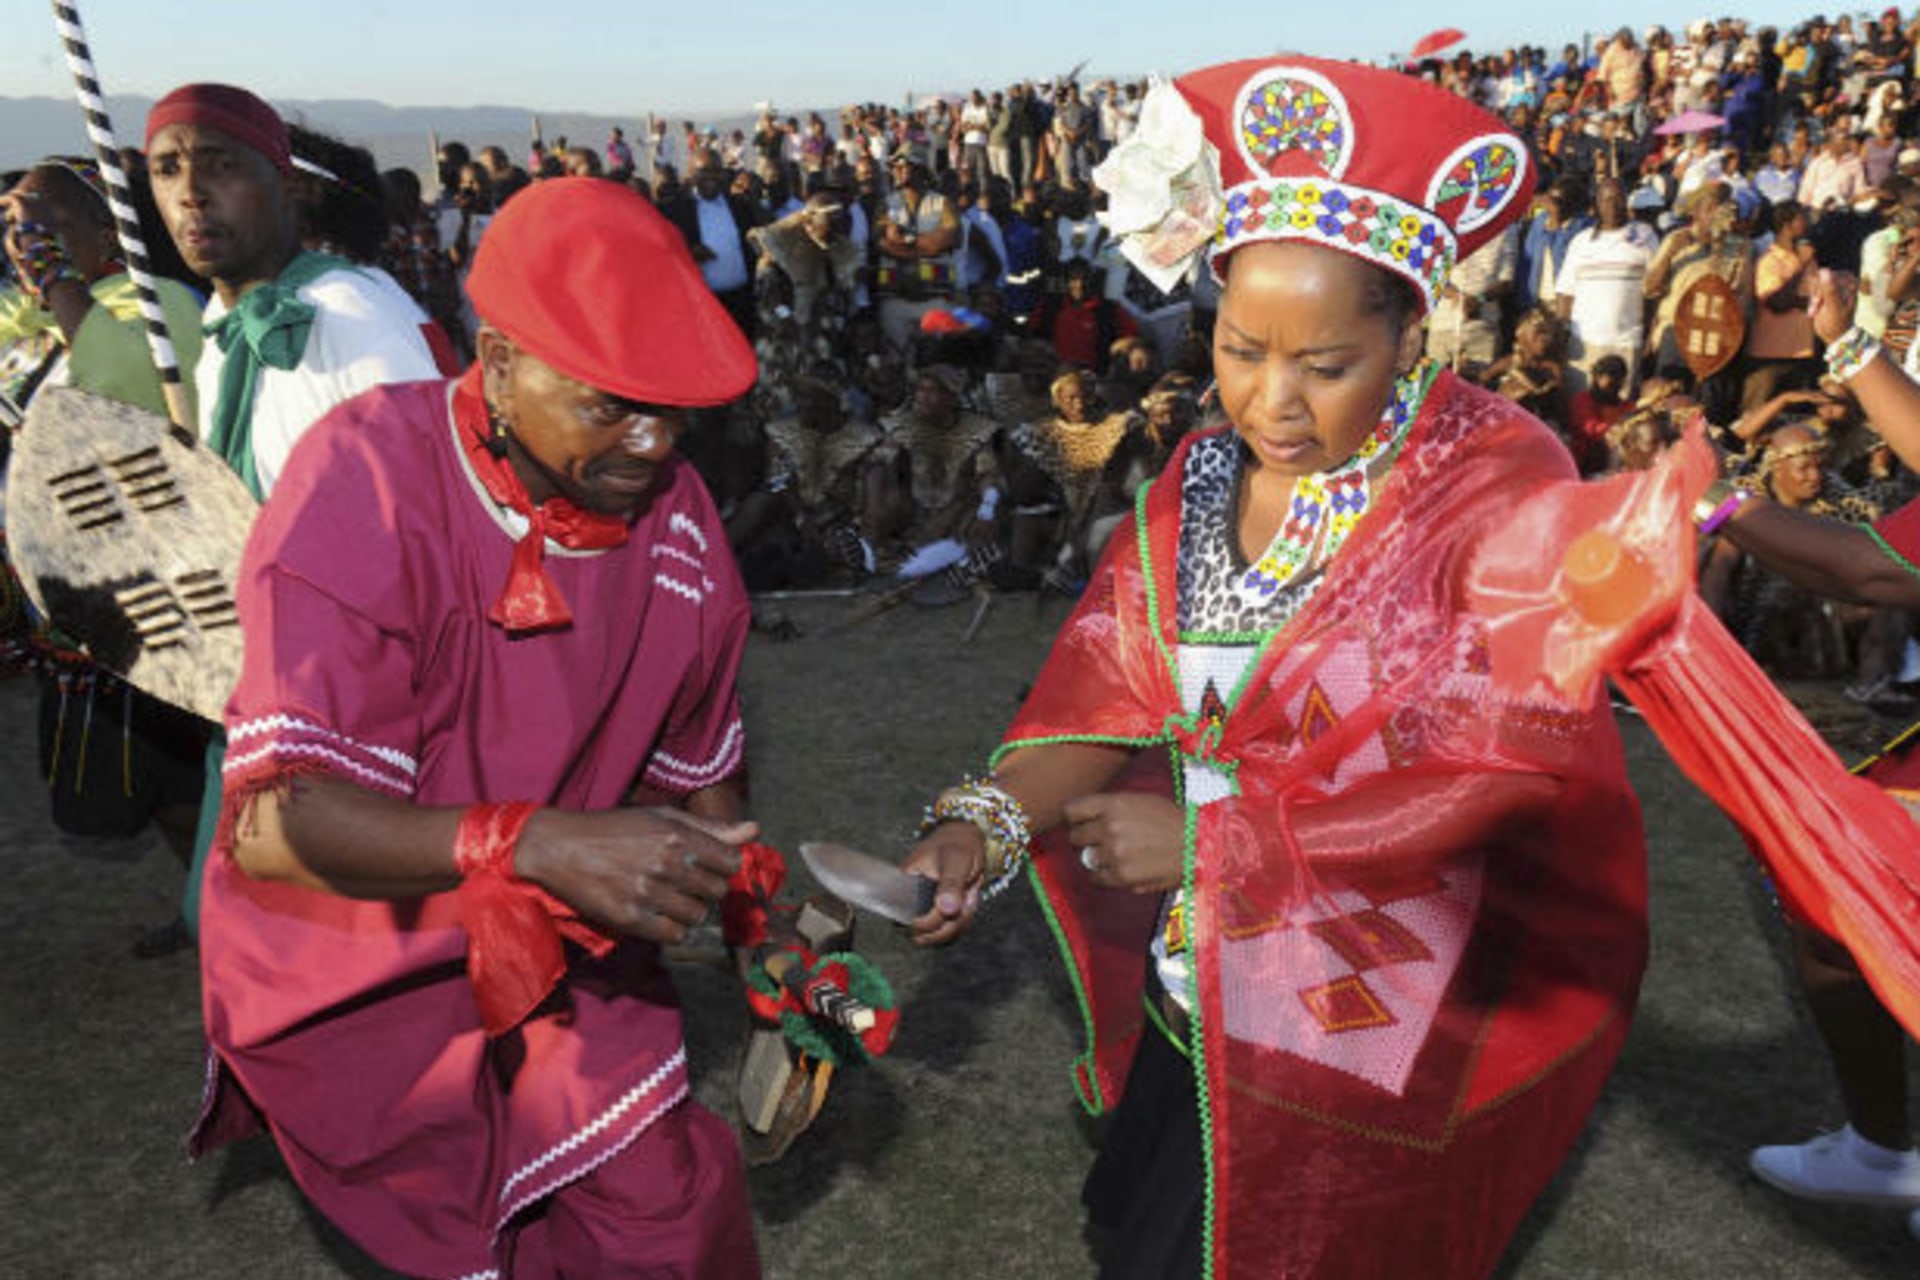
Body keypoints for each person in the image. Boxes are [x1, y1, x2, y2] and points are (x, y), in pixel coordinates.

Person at [902, 57, 1647, 1279]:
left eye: (1326, 365)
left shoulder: (1498, 483)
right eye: (1244, 349)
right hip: (1201, 985)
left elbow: (1506, 771)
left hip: (1372, 1008)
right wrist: (979, 831)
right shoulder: (1198, 479)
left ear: (1412, 332)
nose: (1272, 401)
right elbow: (1107, 694)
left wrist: (1211, 845)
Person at [190, 176, 763, 1278]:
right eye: (610, 403)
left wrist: (758, 928)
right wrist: (532, 838)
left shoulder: (674, 516)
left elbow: (704, 774)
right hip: (362, 954)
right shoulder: (364, 482)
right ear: (496, 362)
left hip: (564, 935)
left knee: (666, 1214)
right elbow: (270, 825)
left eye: (673, 406)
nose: (653, 442)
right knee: (474, 1239)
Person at [144, 83, 451, 941]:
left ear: (291, 188)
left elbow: (431, 528)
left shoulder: (355, 318)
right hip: (260, 690)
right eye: (168, 170)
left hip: (360, 716)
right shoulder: (218, 331)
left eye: (220, 167)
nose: (190, 193)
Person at [0, 157, 210, 953]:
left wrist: (56, 280)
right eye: (16, 230)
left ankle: (224, 906)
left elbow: (119, 375)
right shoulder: (27, 317)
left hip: (150, 579)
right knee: (147, 775)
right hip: (73, 586)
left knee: (176, 761)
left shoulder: (156, 307)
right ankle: (203, 901)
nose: (26, 243)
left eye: (47, 225)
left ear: (102, 229)